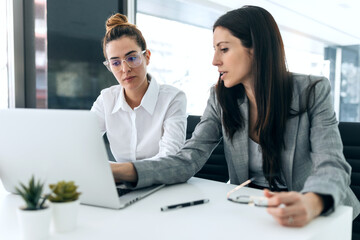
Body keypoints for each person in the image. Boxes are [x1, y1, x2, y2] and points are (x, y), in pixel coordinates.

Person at [110, 6, 360, 227]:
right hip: (253, 211)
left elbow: (332, 165)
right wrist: (121, 171)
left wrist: (313, 202)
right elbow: (188, 158)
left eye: (224, 49)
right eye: (214, 50)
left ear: (256, 50)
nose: (214, 61)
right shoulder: (221, 97)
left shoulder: (312, 91)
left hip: (317, 213)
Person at [91, 13, 187, 163]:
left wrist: (118, 171)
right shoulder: (106, 100)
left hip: (163, 184)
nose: (125, 69)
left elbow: (170, 158)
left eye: (132, 58)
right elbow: (82, 143)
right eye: (116, 63)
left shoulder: (172, 99)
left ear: (147, 57)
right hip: (121, 183)